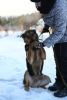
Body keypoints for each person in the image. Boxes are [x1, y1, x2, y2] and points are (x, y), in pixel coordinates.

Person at [30, 0, 67, 98]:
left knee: (64, 60)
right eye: (35, 2)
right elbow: (49, 15)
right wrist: (47, 26)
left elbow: (60, 31)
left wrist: (44, 43)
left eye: (38, 1)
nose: (37, 5)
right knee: (58, 59)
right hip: (60, 33)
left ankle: (66, 86)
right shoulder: (44, 5)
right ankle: (60, 82)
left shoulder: (60, 5)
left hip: (64, 33)